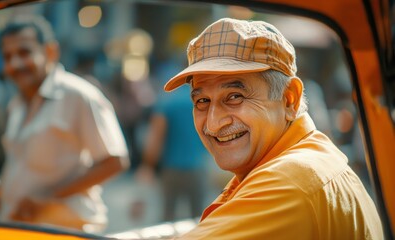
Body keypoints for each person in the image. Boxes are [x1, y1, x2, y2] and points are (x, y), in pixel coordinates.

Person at [163, 18, 383, 239]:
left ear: (289, 99)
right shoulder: (310, 159)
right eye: (202, 101)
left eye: (235, 97)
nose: (213, 123)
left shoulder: (289, 181)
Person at [0, 15, 130, 233]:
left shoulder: (78, 95)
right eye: (7, 57)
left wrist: (49, 198)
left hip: (64, 231)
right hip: (16, 229)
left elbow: (115, 161)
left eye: (24, 53)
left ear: (50, 52)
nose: (15, 64)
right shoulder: (16, 104)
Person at [138, 85, 210, 221]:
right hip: (197, 167)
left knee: (168, 216)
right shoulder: (201, 102)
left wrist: (147, 166)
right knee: (199, 218)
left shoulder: (167, 103)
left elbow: (156, 139)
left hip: (171, 169)